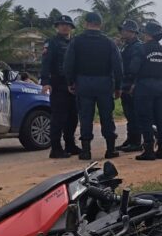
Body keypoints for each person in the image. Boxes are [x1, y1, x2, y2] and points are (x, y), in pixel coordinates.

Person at [63, 12, 123, 160]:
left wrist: (70, 82)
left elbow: (68, 64)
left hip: (83, 83)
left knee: (85, 117)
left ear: (86, 23)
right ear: (100, 24)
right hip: (104, 83)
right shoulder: (109, 43)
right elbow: (118, 66)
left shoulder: (76, 42)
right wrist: (118, 87)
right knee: (107, 117)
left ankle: (86, 151)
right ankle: (110, 149)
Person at [130, 20, 162, 160]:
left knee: (145, 120)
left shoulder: (141, 49)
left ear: (147, 34)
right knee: (161, 119)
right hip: (161, 89)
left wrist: (129, 84)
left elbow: (133, 69)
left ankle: (148, 151)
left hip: (144, 88)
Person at [40, 15, 80, 158]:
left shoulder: (75, 42)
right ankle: (56, 148)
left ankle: (70, 144)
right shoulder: (52, 43)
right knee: (58, 117)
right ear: (57, 27)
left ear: (71, 28)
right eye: (62, 24)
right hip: (58, 84)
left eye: (67, 25)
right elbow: (46, 63)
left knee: (73, 117)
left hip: (73, 84)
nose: (64, 27)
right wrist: (45, 82)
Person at [116, 19, 144, 152]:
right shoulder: (125, 46)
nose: (123, 32)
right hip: (125, 83)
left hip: (133, 84)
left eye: (125, 30)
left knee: (134, 115)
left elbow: (136, 68)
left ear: (133, 32)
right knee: (129, 114)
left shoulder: (138, 46)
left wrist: (133, 83)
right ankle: (130, 139)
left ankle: (136, 142)